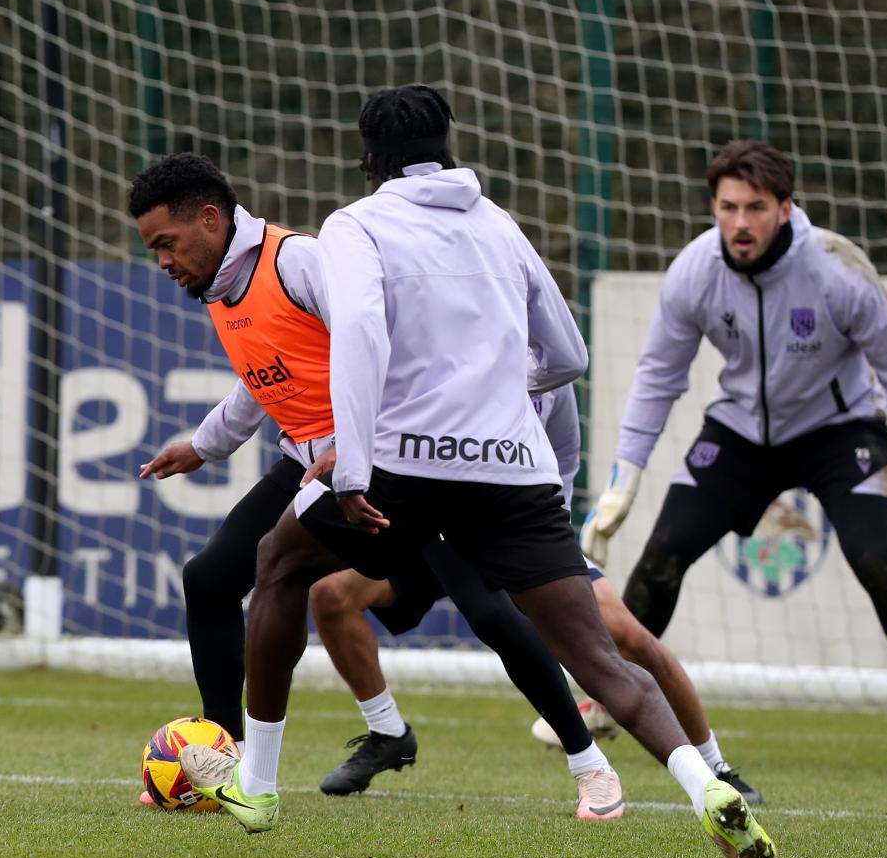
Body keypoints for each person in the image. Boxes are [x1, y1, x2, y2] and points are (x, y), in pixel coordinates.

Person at [179, 85, 777, 858]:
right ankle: (706, 788)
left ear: (369, 159)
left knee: (280, 567)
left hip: (403, 467)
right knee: (599, 659)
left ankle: (256, 785)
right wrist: (496, 397)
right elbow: (566, 356)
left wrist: (353, 466)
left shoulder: (357, 224)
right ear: (446, 145)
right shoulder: (499, 223)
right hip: (513, 472)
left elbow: (357, 336)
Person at [128, 152, 623, 818]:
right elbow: (264, 377)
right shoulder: (219, 285)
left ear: (210, 219)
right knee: (212, 578)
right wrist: (205, 445)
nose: (162, 260)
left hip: (389, 460)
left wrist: (352, 446)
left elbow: (382, 344)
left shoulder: (297, 262)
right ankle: (226, 759)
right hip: (307, 463)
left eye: (166, 242)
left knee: (489, 611)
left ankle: (588, 762)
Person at [580, 139, 887, 778]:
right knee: (664, 554)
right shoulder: (696, 270)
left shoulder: (839, 271)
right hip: (740, 435)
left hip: (841, 431)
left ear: (786, 208)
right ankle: (604, 701)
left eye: (756, 207)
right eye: (727, 207)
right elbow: (657, 378)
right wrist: (623, 478)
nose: (739, 223)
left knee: (874, 558)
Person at [310, 381, 764, 805]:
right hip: (426, 524)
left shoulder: (550, 371)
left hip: (516, 532)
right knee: (331, 596)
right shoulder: (444, 344)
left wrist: (548, 537)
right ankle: (387, 732)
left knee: (629, 638)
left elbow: (564, 454)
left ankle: (716, 770)